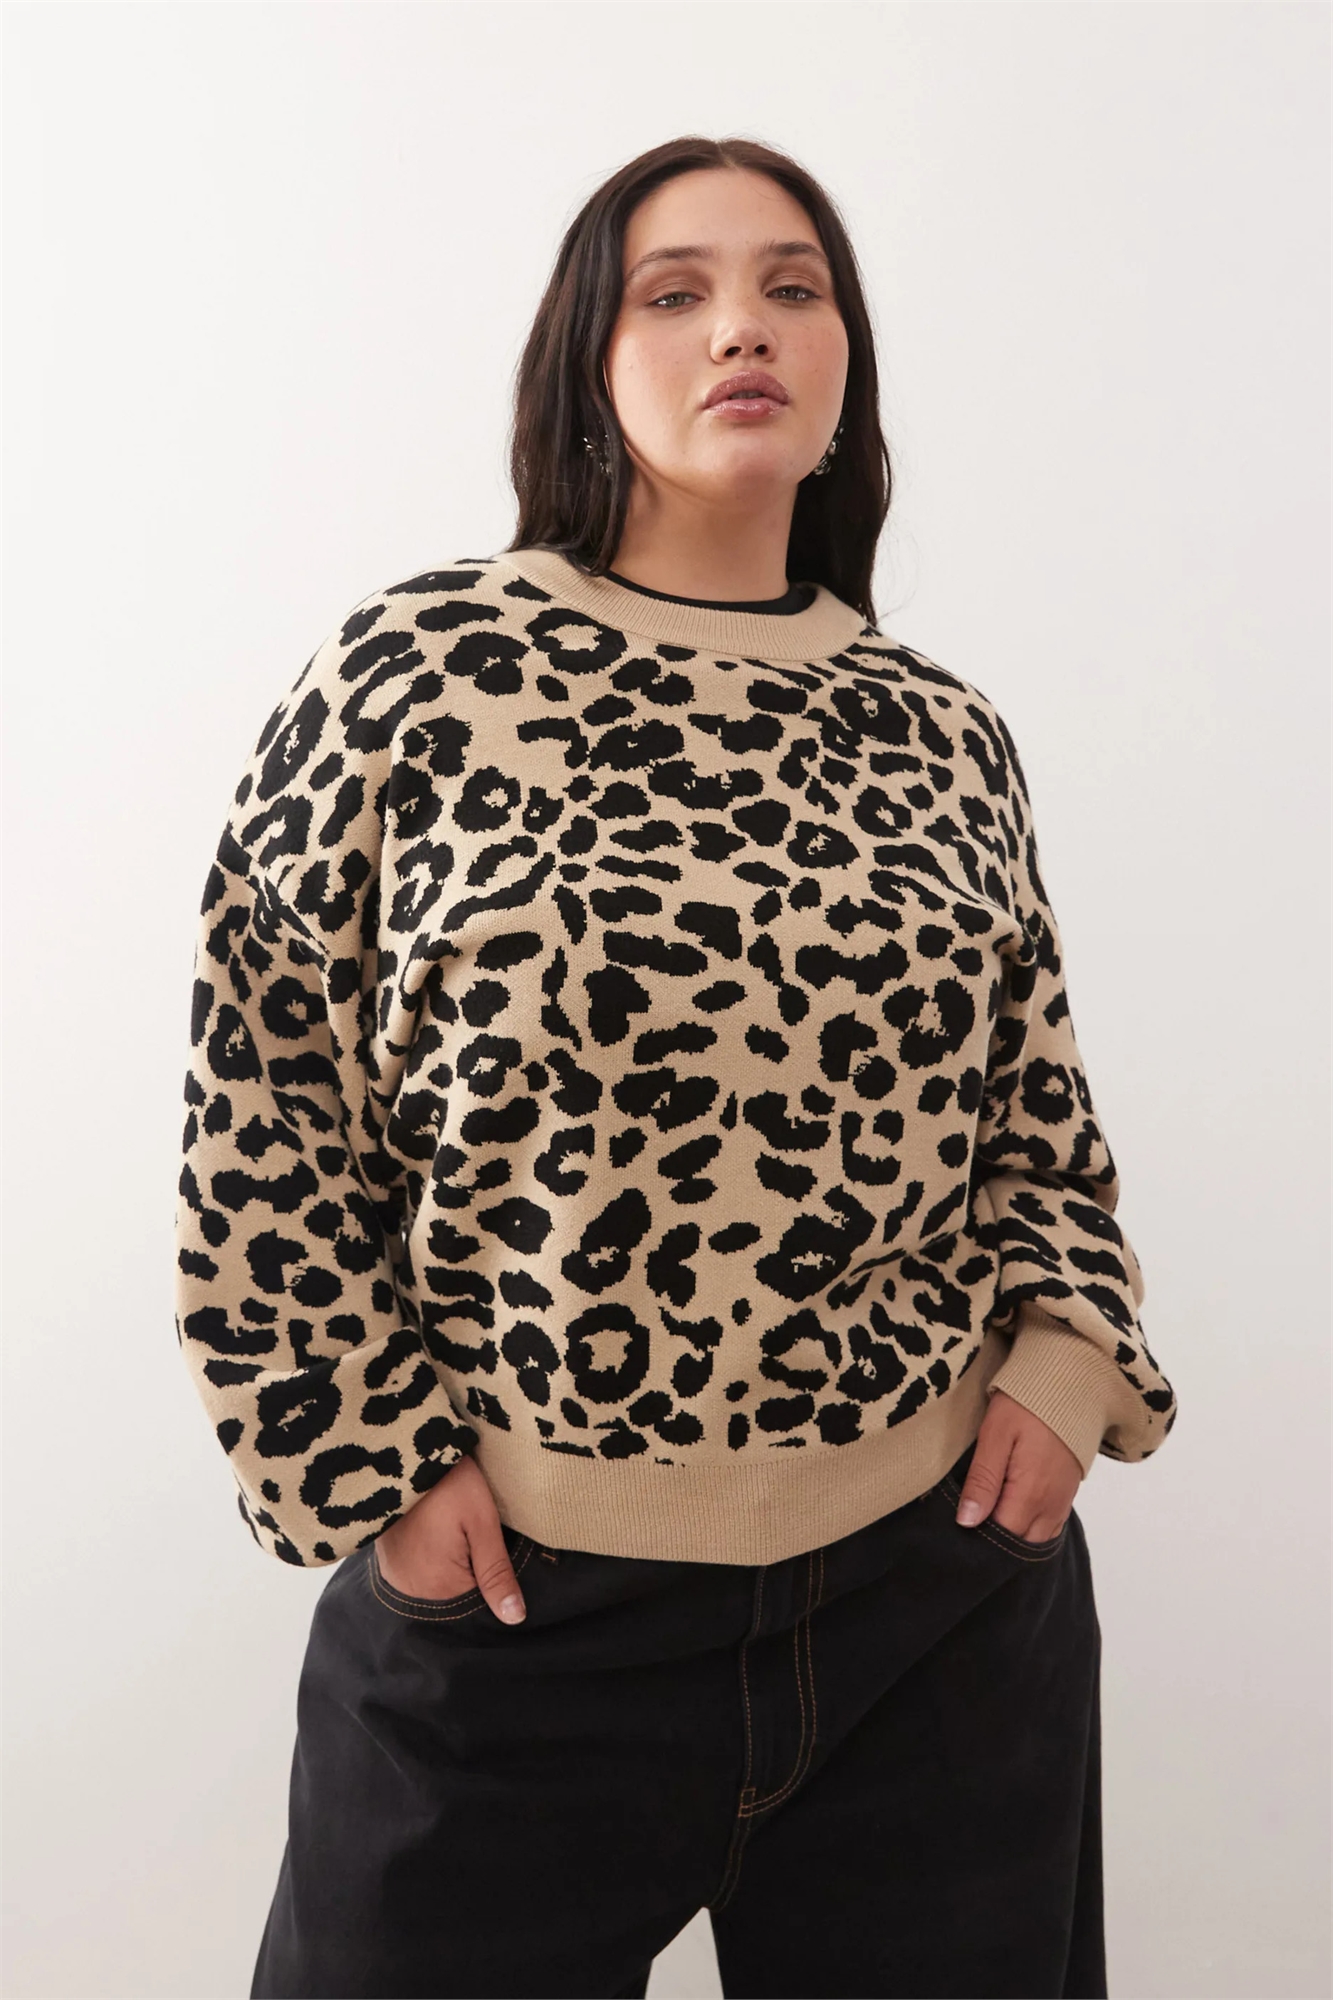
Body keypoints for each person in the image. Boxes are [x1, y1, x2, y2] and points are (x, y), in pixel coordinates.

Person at [175, 134, 1177, 2000]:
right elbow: (264, 1105)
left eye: (794, 287)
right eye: (675, 290)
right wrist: (373, 1467)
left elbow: (1038, 1119)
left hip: (932, 1615)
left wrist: (1062, 1364)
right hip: (510, 1615)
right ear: (586, 357)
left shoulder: (937, 729)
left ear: (845, 362)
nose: (744, 327)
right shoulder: (417, 673)